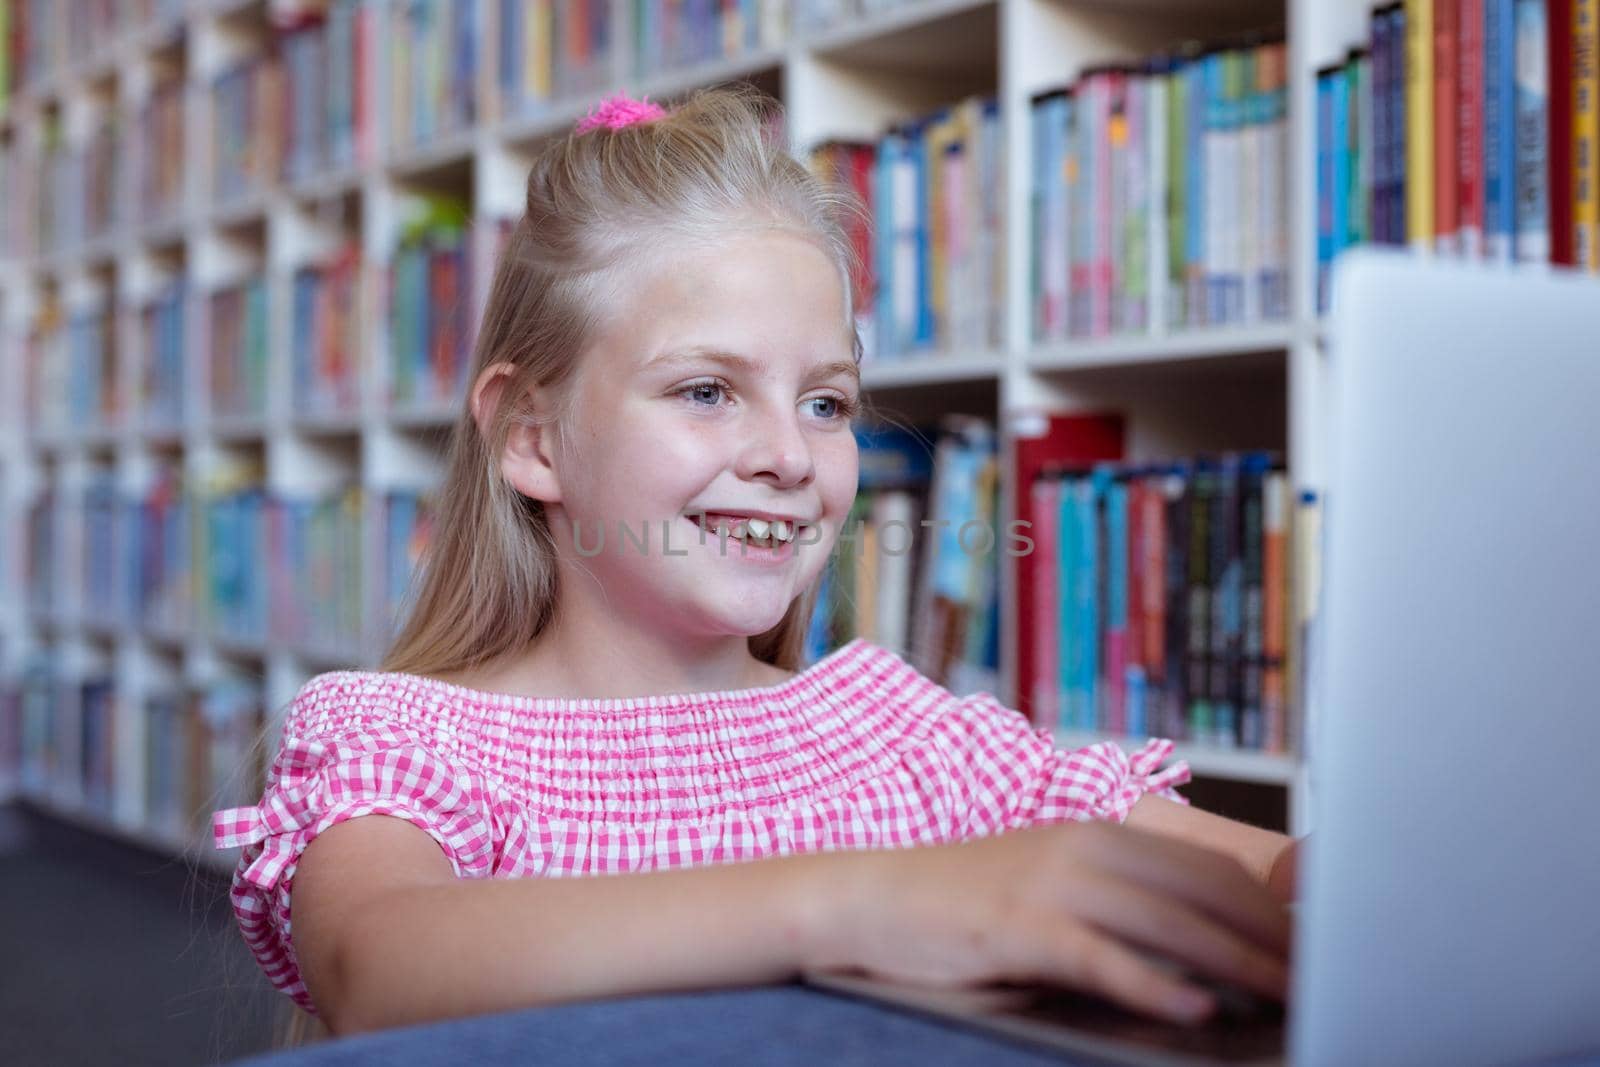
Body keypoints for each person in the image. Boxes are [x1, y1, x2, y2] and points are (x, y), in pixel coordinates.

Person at [211, 84, 1299, 1048]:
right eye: (705, 390)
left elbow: (1269, 874)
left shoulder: (902, 735)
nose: (789, 454)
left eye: (824, 401)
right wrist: (863, 901)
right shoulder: (403, 739)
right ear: (532, 438)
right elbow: (380, 965)